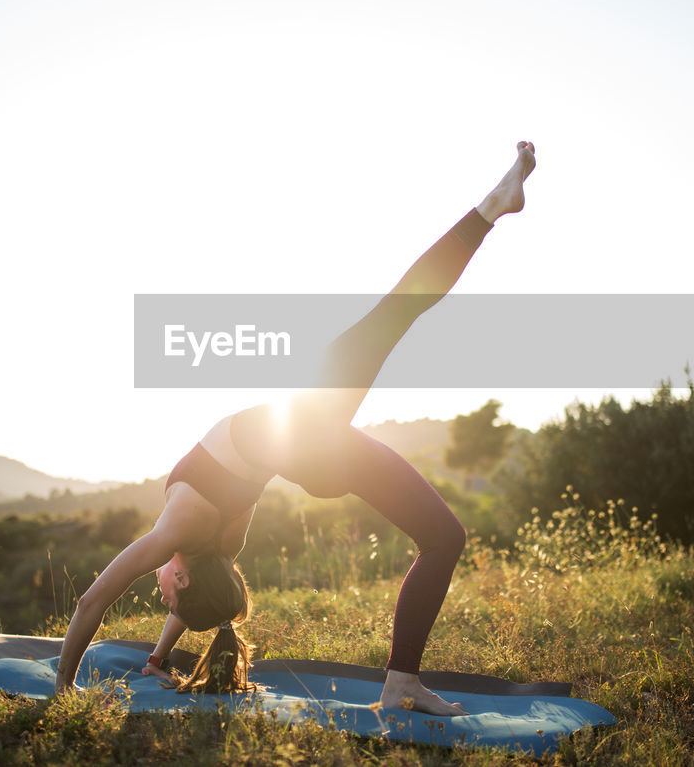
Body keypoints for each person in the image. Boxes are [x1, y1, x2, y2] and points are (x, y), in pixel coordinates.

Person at [55, 140, 537, 716]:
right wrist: (107, 675)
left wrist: (112, 673)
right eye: (165, 594)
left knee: (444, 538)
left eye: (164, 597)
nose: (158, 593)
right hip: (306, 430)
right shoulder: (189, 537)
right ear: (182, 577)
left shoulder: (204, 545)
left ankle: (402, 681)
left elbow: (138, 601)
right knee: (393, 313)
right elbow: (105, 600)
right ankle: (488, 209)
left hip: (317, 452)